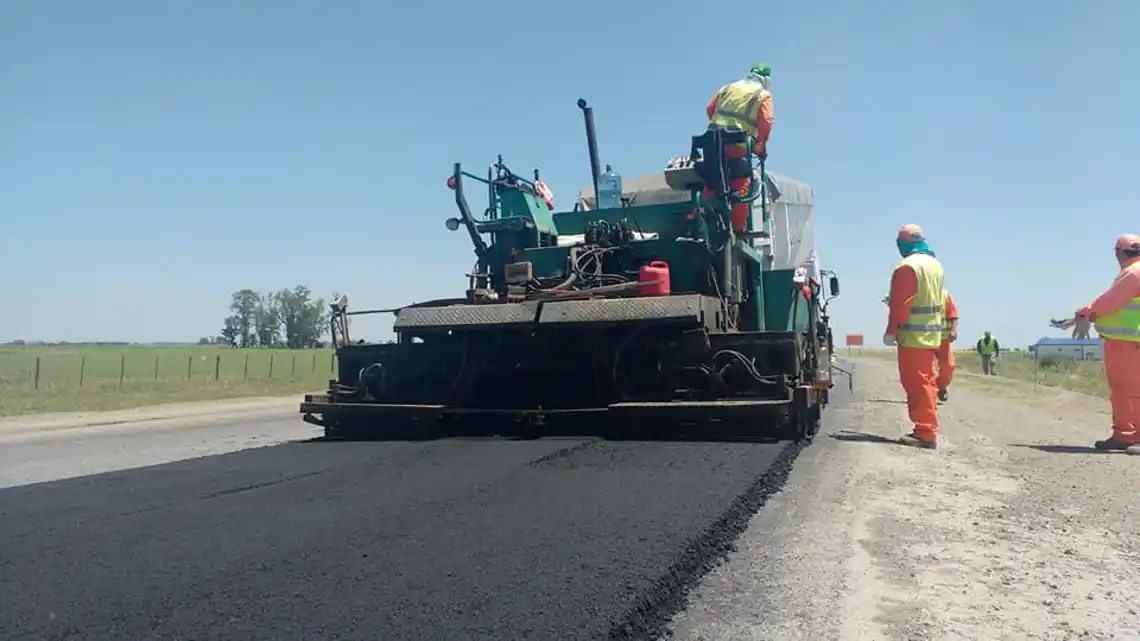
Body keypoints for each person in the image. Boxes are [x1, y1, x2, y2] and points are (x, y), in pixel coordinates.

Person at [1074, 234, 1140, 454]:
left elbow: (1111, 301)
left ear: (1119, 252)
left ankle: (1135, 436)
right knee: (1122, 390)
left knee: (1132, 391)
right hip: (1123, 343)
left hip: (1131, 344)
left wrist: (1086, 311)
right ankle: (1124, 435)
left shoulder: (1133, 272)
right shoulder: (1131, 271)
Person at [885, 224, 945, 449]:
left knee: (917, 384)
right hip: (931, 335)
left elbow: (902, 304)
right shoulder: (935, 265)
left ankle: (925, 432)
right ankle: (926, 428)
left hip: (912, 337)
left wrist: (892, 330)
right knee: (927, 383)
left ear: (902, 243)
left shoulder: (907, 267)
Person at [704, 62, 775, 232]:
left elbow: (710, 109)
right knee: (741, 183)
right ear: (765, 80)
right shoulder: (763, 94)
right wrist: (760, 145)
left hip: (712, 143)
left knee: (711, 181)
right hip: (737, 145)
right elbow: (766, 121)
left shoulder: (727, 88)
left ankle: (705, 218)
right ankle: (737, 227)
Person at [936, 290, 959, 402]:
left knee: (949, 366)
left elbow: (953, 315)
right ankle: (928, 393)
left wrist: (954, 331)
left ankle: (941, 386)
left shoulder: (945, 295)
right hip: (924, 340)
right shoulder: (920, 292)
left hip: (943, 339)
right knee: (927, 368)